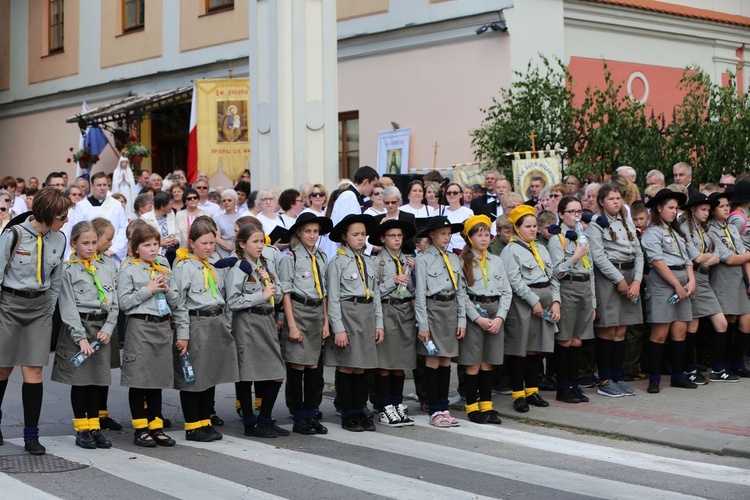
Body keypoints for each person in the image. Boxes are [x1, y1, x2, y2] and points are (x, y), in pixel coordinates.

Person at [0, 188, 71, 455]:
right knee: (3, 368)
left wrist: (47, 310)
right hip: (9, 304)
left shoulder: (59, 238)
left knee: (34, 371)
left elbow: (55, 280)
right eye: (62, 216)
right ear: (47, 215)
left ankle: (31, 435)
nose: (65, 221)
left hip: (39, 307)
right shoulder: (14, 235)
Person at [51, 221, 118, 449]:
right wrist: (80, 337)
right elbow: (67, 307)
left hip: (100, 331)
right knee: (80, 382)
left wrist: (108, 328)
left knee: (97, 381)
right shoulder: (69, 271)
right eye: (85, 243)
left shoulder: (106, 267)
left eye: (93, 242)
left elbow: (114, 303)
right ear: (74, 244)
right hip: (79, 329)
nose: (90, 247)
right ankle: (82, 429)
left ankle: (95, 427)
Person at [171, 222, 239, 442]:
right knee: (194, 377)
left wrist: (226, 325)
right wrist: (183, 334)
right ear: (192, 243)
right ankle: (192, 426)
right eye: (204, 243)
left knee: (210, 375)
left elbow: (224, 296)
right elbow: (179, 303)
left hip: (215, 322)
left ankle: (205, 421)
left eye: (212, 242)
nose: (209, 247)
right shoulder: (184, 267)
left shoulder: (214, 264)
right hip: (195, 323)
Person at [117, 223, 179, 447]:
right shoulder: (128, 268)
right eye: (147, 245)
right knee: (140, 379)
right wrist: (148, 289)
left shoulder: (162, 265)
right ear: (135, 248)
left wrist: (167, 289)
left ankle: (156, 425)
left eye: (155, 244)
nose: (153, 249)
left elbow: (177, 300)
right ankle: (140, 428)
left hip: (162, 327)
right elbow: (124, 303)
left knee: (157, 379)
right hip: (141, 325)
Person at [225, 224, 287, 438]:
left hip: (266, 320)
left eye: (262, 241)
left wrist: (270, 284)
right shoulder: (239, 267)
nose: (260, 245)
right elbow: (232, 301)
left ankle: (265, 418)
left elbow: (276, 296)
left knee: (276, 372)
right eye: (255, 241)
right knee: (247, 373)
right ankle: (250, 422)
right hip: (248, 322)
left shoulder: (265, 264)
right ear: (242, 244)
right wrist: (260, 294)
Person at [325, 214, 383, 432]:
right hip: (348, 313)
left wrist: (379, 324)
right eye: (355, 235)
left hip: (367, 314)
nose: (361, 239)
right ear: (344, 237)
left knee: (362, 366)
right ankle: (347, 412)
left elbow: (375, 294)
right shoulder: (337, 262)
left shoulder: (369, 261)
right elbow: (333, 297)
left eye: (363, 234)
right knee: (347, 365)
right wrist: (338, 328)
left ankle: (360, 409)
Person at [501, 205, 560, 412]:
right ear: (517, 228)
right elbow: (515, 281)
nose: (533, 230)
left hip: (544, 303)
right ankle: (518, 394)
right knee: (521, 350)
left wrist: (556, 302)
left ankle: (532, 391)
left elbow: (552, 277)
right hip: (523, 305)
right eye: (528, 226)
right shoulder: (510, 250)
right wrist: (533, 301)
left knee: (536, 349)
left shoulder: (541, 249)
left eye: (535, 226)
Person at [587, 183, 644, 397]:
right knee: (608, 328)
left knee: (621, 330)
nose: (616, 202)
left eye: (619, 198)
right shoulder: (596, 225)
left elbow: (638, 253)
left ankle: (618, 377)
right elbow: (598, 256)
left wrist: (637, 281)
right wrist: (619, 279)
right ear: (602, 201)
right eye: (611, 199)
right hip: (610, 277)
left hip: (630, 276)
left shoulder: (626, 223)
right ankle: (605, 379)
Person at [279, 213, 332, 435]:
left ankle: (311, 412)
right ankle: (298, 415)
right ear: (299, 233)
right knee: (297, 364)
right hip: (298, 311)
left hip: (317, 311)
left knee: (313, 366)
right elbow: (286, 293)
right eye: (308, 231)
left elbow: (325, 292)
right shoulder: (289, 258)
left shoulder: (321, 257)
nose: (312, 235)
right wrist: (291, 324)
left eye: (316, 232)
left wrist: (326, 321)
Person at [641, 189, 697, 393]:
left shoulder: (676, 232)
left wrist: (691, 281)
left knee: (680, 331)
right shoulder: (652, 232)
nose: (674, 212)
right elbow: (657, 261)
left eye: (676, 208)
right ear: (659, 208)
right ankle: (654, 379)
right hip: (664, 285)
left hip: (682, 282)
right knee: (660, 333)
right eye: (670, 208)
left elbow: (688, 259)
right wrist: (676, 285)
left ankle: (678, 375)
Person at [458, 215, 511, 423]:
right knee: (473, 362)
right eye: (478, 235)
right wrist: (477, 319)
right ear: (470, 238)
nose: (484, 239)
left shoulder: (496, 260)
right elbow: (461, 294)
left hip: (494, 310)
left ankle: (487, 406)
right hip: (475, 313)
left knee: (488, 361)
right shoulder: (463, 261)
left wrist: (500, 317)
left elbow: (506, 292)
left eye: (487, 234)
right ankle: (472, 407)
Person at [415, 216, 467, 427]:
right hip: (433, 309)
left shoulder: (454, 259)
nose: (446, 237)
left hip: (450, 310)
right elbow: (419, 295)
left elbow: (461, 291)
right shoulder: (423, 259)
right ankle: (434, 408)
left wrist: (461, 319)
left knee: (446, 360)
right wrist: (423, 325)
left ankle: (444, 406)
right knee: (433, 359)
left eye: (448, 234)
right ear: (432, 235)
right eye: (442, 234)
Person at [680, 193, 737, 383]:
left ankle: (718, 369)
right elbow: (695, 257)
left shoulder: (705, 229)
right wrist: (706, 257)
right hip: (692, 277)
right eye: (703, 210)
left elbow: (718, 255)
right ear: (693, 210)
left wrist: (706, 257)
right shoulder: (684, 228)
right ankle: (689, 368)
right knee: (693, 324)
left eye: (708, 210)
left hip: (704, 278)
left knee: (721, 323)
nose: (707, 213)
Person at [369, 219, 417, 427]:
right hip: (387, 309)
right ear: (383, 239)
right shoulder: (376, 261)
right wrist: (393, 281)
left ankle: (397, 404)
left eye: (399, 236)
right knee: (385, 363)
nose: (397, 240)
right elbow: (372, 291)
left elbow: (415, 290)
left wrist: (411, 273)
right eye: (392, 236)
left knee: (401, 363)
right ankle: (383, 405)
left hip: (405, 310)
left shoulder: (409, 260)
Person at [548, 197, 595, 403]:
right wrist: (575, 256)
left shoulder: (582, 236)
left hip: (584, 287)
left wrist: (593, 301)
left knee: (578, 340)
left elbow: (590, 269)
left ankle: (574, 384)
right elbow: (556, 272)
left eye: (579, 211)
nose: (576, 215)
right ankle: (563, 386)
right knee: (565, 339)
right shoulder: (556, 239)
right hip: (567, 288)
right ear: (561, 214)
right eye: (572, 211)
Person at [707, 191, 750, 378]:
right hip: (723, 277)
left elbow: (741, 254)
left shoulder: (731, 228)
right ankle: (720, 363)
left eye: (727, 205)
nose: (726, 209)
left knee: (746, 319)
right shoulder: (711, 230)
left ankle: (737, 361)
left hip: (739, 278)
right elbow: (730, 258)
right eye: (721, 206)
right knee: (727, 320)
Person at [90, 218, 124, 430]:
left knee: (104, 370)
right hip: (91, 322)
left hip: (108, 322)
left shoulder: (109, 263)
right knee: (90, 372)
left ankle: (102, 413)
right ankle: (88, 415)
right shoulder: (83, 261)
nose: (111, 244)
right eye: (108, 239)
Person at [70, 172, 129, 265]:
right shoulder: (82, 206)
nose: (102, 188)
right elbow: (77, 229)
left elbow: (123, 229)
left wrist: (113, 249)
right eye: (99, 185)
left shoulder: (116, 205)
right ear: (92, 186)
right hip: (88, 255)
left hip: (111, 254)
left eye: (104, 185)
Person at [442, 182, 473, 253]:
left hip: (463, 251)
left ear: (461, 195)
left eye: (455, 193)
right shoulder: (441, 211)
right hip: (445, 251)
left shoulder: (468, 212)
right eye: (449, 193)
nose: (452, 195)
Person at [215, 189, 241, 257]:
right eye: (224, 200)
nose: (226, 202)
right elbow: (217, 238)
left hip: (239, 249)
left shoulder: (242, 217)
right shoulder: (218, 219)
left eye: (229, 200)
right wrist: (229, 248)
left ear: (235, 202)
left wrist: (236, 248)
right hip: (223, 250)